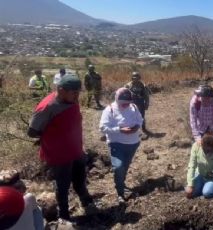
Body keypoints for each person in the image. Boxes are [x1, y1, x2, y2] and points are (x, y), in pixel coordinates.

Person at [27, 74, 95, 222]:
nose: (77, 96)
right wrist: (52, 136)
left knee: (80, 179)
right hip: (59, 154)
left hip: (76, 149)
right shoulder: (47, 107)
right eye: (74, 92)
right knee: (63, 186)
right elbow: (32, 131)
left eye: (78, 92)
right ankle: (64, 215)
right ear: (61, 90)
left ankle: (86, 201)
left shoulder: (71, 99)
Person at [99, 87, 143, 204]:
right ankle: (120, 193)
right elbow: (103, 128)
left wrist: (136, 127)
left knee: (125, 167)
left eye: (127, 103)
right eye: (123, 104)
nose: (126, 106)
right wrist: (120, 130)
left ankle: (121, 185)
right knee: (118, 167)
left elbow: (140, 119)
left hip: (133, 143)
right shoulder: (110, 110)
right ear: (117, 100)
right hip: (116, 144)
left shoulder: (133, 107)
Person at [185, 132, 213, 199]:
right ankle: (203, 187)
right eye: (205, 149)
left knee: (207, 193)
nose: (207, 152)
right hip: (201, 173)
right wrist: (190, 185)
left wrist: (204, 181)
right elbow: (192, 166)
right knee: (192, 191)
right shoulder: (196, 146)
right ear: (201, 143)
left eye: (209, 150)